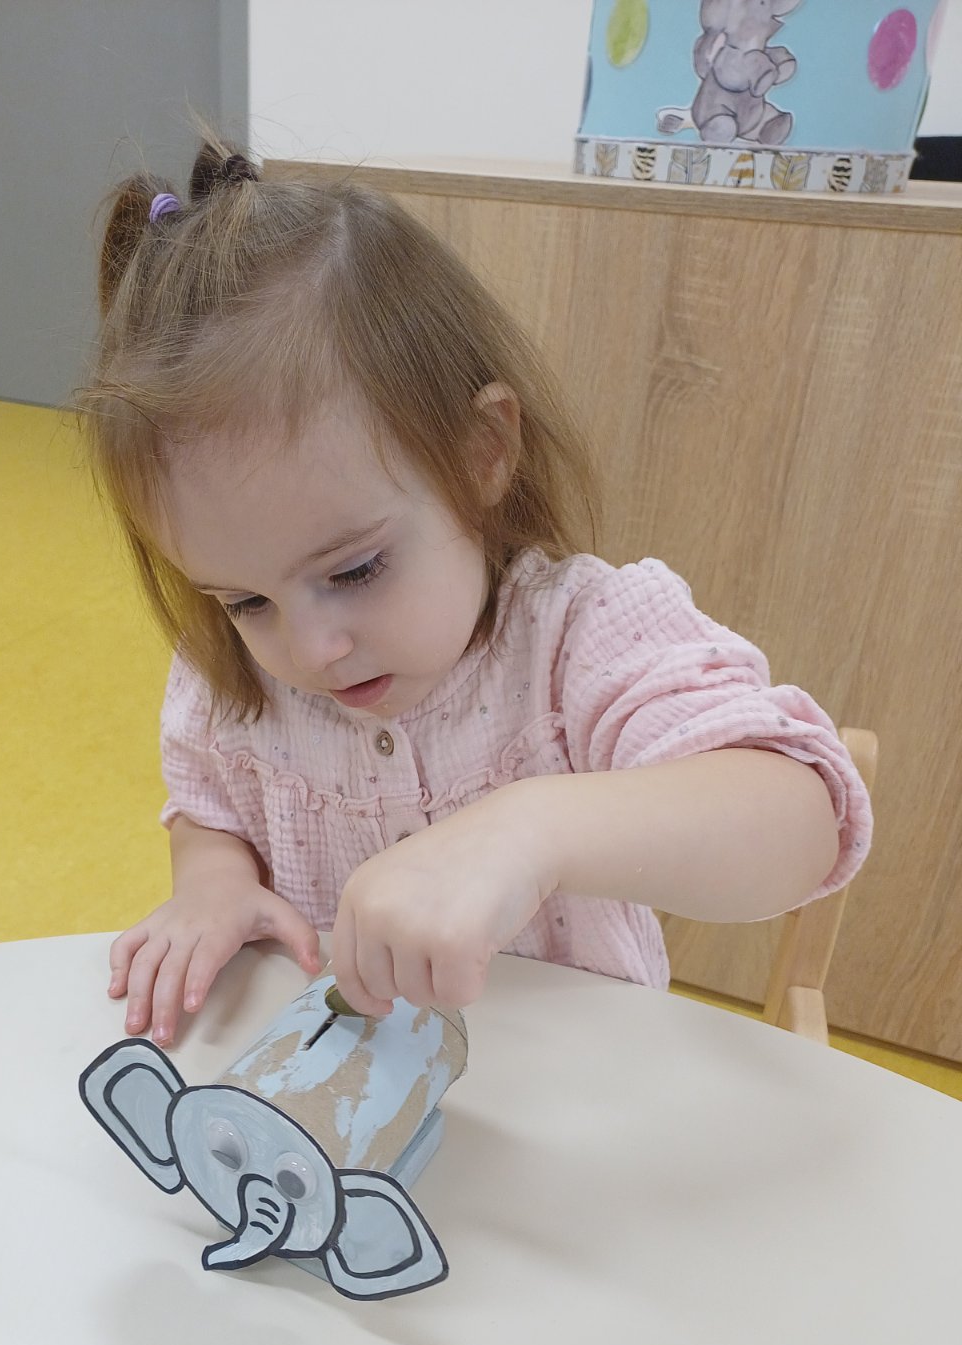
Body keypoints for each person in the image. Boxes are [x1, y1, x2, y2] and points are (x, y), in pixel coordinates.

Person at [75, 137, 871, 1044]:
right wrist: (213, 884)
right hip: (349, 1087)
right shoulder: (235, 675)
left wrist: (534, 831)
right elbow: (209, 809)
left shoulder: (578, 637)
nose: (311, 649)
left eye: (354, 570)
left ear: (482, 452)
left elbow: (800, 821)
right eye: (244, 601)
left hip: (575, 1091)